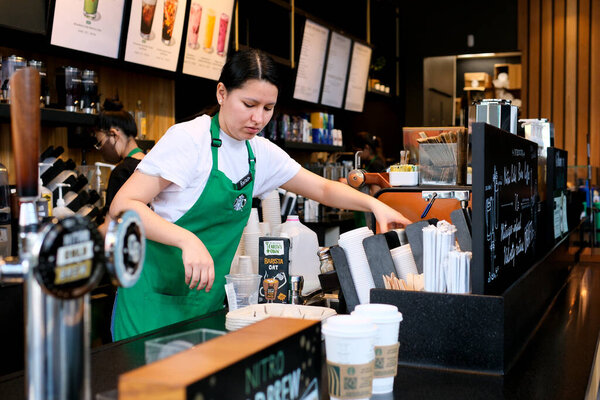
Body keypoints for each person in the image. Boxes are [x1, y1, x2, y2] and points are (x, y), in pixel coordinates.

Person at [109, 49, 411, 341]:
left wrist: (376, 204)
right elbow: (123, 206)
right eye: (249, 104)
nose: (258, 118)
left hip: (204, 304)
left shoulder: (259, 153)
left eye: (268, 109)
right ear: (222, 94)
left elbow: (322, 188)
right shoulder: (189, 140)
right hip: (152, 303)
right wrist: (185, 239)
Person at [94, 102, 145, 236]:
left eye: (100, 143)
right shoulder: (150, 163)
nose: (101, 150)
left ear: (114, 135)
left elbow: (109, 228)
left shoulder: (121, 172)